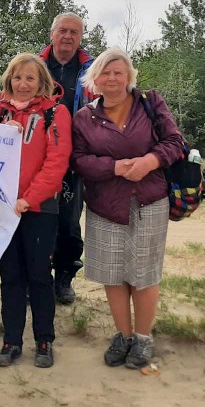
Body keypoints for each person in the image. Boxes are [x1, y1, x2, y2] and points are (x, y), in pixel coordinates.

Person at [70, 47, 184, 370]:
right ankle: (123, 335)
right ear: (94, 79)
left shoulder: (151, 103)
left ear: (129, 76)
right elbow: (78, 160)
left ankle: (143, 338)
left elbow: (174, 142)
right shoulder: (84, 118)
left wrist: (150, 161)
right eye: (105, 72)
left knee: (143, 274)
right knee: (114, 273)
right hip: (106, 204)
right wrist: (114, 167)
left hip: (150, 200)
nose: (112, 78)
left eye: (118, 72)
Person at [0, 53, 71, 368]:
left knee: (39, 275)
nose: (23, 84)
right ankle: (11, 341)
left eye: (30, 78)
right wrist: (1, 134)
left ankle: (44, 341)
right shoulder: (0, 111)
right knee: (10, 275)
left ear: (41, 82)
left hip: (39, 208)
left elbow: (56, 163)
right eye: (17, 77)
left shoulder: (55, 113)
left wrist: (30, 198)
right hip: (5, 207)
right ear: (9, 80)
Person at [38, 12, 95, 305]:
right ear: (52, 34)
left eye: (74, 32)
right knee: (36, 218)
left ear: (81, 37)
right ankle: (38, 279)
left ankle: (64, 277)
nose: (68, 36)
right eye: (63, 30)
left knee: (69, 223)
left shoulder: (92, 70)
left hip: (74, 159)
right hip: (37, 156)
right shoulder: (34, 66)